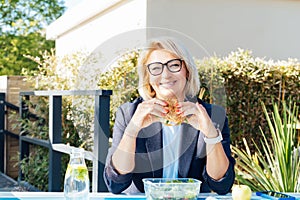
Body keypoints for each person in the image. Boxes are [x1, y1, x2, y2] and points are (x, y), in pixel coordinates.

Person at [104, 37, 235, 195]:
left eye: (174, 65)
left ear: (187, 70)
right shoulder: (129, 114)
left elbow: (222, 186)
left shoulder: (212, 115)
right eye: (156, 68)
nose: (165, 75)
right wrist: (132, 130)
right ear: (148, 77)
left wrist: (210, 134)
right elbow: (115, 184)